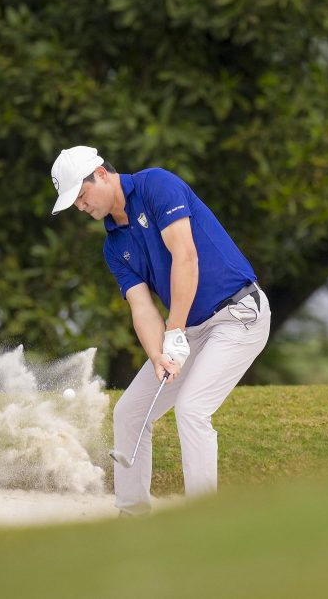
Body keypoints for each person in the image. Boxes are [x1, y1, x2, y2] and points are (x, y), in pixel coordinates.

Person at [50, 145, 270, 515]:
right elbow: (142, 306)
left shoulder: (156, 185)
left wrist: (175, 331)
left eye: (82, 195)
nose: (81, 206)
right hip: (193, 330)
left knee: (192, 409)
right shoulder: (113, 245)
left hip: (238, 315)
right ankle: (132, 517)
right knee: (129, 413)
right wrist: (158, 354)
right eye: (74, 203)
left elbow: (186, 257)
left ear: (101, 174)